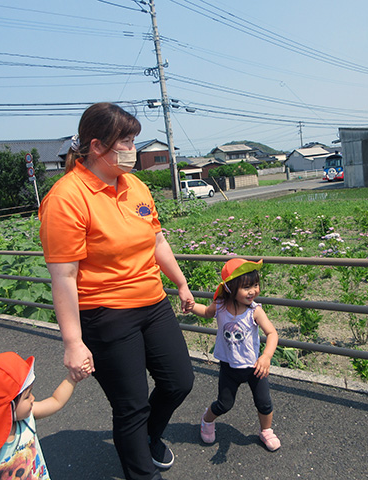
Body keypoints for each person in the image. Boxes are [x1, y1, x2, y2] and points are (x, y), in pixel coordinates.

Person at [38, 102, 195, 480]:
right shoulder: (66, 197)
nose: (133, 149)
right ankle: (142, 471)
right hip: (105, 313)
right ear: (97, 146)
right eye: (126, 141)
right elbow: (63, 277)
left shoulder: (135, 185)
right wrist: (73, 342)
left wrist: (181, 282)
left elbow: (157, 240)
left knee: (179, 382)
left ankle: (148, 438)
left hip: (153, 303)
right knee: (131, 406)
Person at [189, 258, 281, 452]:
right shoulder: (221, 306)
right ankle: (206, 420)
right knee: (224, 404)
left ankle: (266, 430)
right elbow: (206, 312)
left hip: (254, 367)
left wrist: (266, 357)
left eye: (255, 285)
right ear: (230, 288)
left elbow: (272, 333)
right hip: (229, 367)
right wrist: (191, 306)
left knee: (264, 403)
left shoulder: (255, 311)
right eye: (246, 287)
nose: (252, 291)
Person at [0, 351, 88, 479]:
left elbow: (56, 401)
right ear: (6, 408)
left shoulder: (27, 417)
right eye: (27, 396)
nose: (33, 398)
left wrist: (72, 378)